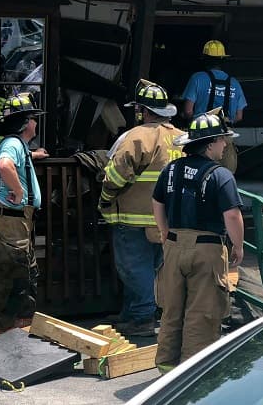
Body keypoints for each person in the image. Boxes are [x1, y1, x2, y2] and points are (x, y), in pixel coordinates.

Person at [152, 109, 244, 374]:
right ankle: (192, 374)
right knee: (202, 312)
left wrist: (165, 232)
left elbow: (157, 202)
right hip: (207, 248)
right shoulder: (220, 175)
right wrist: (238, 246)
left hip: (173, 245)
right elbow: (232, 215)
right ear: (210, 144)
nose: (225, 144)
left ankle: (166, 367)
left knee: (172, 308)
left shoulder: (171, 170)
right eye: (222, 140)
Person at [98, 79, 184, 337]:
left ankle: (143, 317)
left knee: (134, 269)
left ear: (142, 111)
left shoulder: (138, 136)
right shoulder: (179, 138)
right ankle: (131, 313)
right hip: (166, 219)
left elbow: (116, 174)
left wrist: (105, 198)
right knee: (150, 267)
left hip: (134, 218)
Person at [0, 92, 49, 337]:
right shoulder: (12, 144)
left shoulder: (17, 145)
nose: (35, 123)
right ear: (25, 123)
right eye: (33, 118)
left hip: (15, 220)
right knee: (10, 274)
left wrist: (34, 154)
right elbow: (4, 164)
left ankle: (17, 325)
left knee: (23, 273)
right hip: (9, 219)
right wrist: (18, 191)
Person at [180, 40, 247, 172]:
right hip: (225, 136)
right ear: (223, 60)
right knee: (224, 175)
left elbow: (188, 111)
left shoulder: (197, 78)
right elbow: (239, 116)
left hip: (201, 136)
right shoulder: (234, 83)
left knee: (198, 173)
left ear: (205, 59)